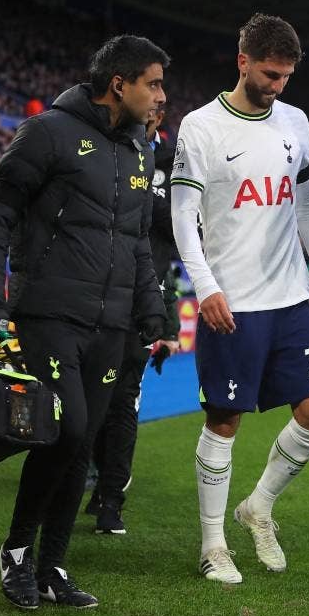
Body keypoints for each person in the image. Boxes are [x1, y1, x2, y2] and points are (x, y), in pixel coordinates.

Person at [0, 35, 169, 610]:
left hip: (112, 322)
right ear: (119, 84)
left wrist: (151, 310)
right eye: (154, 84)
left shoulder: (140, 151)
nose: (161, 97)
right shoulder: (48, 132)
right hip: (50, 312)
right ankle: (16, 550)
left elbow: (136, 243)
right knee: (70, 428)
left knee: (81, 447)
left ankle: (53, 566)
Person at [171, 13, 309, 584]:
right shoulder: (201, 127)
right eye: (270, 74)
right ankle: (212, 545)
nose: (278, 86)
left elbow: (307, 205)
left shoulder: (296, 121)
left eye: (286, 76)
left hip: (290, 297)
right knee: (225, 420)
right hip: (233, 301)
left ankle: (258, 506)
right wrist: (205, 286)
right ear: (242, 61)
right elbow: (182, 215)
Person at [86, 104, 181, 535]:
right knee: (88, 400)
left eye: (160, 104)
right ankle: (90, 479)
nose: (153, 110)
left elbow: (182, 229)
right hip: (92, 293)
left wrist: (168, 321)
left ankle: (111, 498)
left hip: (140, 298)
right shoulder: (101, 148)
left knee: (123, 401)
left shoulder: (174, 162)